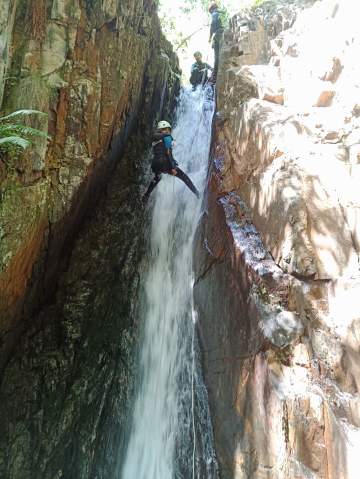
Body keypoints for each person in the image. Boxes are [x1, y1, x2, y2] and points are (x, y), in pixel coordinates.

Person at [143, 121, 200, 201]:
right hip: (164, 163)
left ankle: (146, 195)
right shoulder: (167, 137)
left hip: (155, 164)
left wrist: (173, 160)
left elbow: (160, 151)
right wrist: (172, 167)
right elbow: (168, 152)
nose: (169, 131)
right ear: (164, 129)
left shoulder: (155, 138)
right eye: (168, 129)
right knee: (183, 177)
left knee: (157, 177)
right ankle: (198, 194)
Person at [208, 2, 223, 81]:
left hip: (218, 34)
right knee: (219, 55)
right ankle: (216, 74)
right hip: (221, 34)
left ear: (212, 9)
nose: (210, 13)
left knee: (216, 56)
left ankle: (215, 75)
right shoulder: (219, 13)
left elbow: (212, 25)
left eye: (210, 11)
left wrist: (210, 38)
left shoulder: (214, 13)